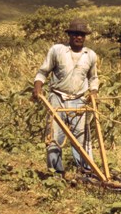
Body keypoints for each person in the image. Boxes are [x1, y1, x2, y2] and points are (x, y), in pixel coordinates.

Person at [32, 19, 99, 180]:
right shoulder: (57, 51)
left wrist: (94, 92)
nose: (78, 37)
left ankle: (86, 172)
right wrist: (38, 86)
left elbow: (93, 78)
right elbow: (43, 71)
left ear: (85, 37)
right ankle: (56, 174)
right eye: (75, 34)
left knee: (81, 138)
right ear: (69, 35)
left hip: (79, 100)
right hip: (57, 98)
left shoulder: (90, 55)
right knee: (55, 137)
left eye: (82, 35)